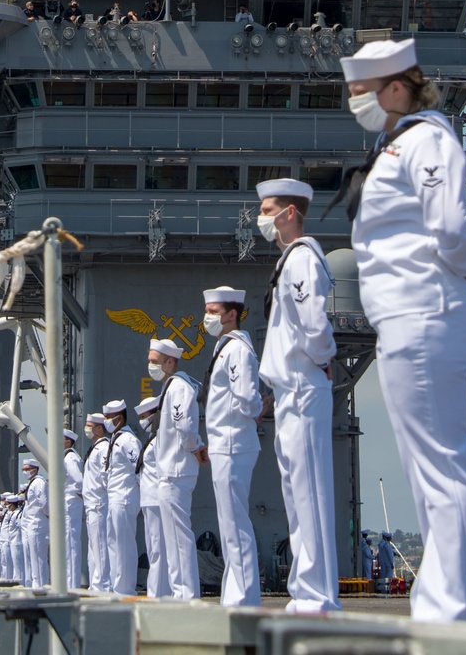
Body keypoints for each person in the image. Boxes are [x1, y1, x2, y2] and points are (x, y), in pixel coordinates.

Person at [341, 37, 466, 623]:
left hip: (424, 311)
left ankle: (450, 615)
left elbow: (449, 225)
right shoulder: (397, 142)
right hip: (408, 316)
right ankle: (457, 609)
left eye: (360, 91)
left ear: (396, 87)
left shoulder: (426, 138)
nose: (355, 102)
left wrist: (464, 271)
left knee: (439, 467)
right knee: (431, 468)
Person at [256, 176, 340, 614]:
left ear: (290, 213)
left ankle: (319, 595)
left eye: (268, 210)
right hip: (290, 390)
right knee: (296, 492)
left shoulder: (304, 258)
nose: (262, 219)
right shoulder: (290, 260)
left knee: (310, 493)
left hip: (305, 386)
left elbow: (313, 324)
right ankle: (307, 591)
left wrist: (324, 358)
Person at [200, 285, 262, 606]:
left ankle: (244, 598)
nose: (207, 317)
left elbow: (248, 398)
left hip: (233, 443)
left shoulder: (237, 350)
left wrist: (251, 415)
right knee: (229, 525)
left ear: (232, 314)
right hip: (225, 443)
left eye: (213, 312)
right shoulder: (225, 348)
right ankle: (235, 594)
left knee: (235, 524)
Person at [147, 336, 207, 600]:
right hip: (171, 472)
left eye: (155, 362)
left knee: (178, 537)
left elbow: (184, 427)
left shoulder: (179, 387)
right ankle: (180, 591)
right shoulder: (172, 387)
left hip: (175, 472)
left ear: (170, 361)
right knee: (172, 539)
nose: (151, 366)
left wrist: (195, 447)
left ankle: (185, 594)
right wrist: (197, 445)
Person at [102, 398, 142, 595]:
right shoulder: (115, 440)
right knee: (114, 543)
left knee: (124, 544)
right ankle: (117, 586)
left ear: (119, 419)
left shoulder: (128, 440)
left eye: (108, 417)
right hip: (115, 497)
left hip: (125, 497)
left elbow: (139, 468)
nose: (106, 421)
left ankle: (125, 589)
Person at [135, 395, 169, 597]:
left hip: (156, 498)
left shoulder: (161, 439)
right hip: (148, 499)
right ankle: (157, 589)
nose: (142, 421)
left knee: (158, 547)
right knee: (153, 546)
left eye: (145, 416)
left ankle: (159, 592)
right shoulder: (151, 439)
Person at [82, 413, 112, 593]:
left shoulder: (103, 448)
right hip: (91, 504)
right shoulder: (95, 448)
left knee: (100, 548)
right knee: (93, 549)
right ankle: (96, 586)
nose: (87, 429)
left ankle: (104, 588)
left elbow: (105, 475)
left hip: (99, 503)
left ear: (99, 428)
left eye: (89, 425)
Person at [21, 459, 50, 587]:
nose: (25, 471)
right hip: (32, 524)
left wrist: (49, 516)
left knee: (39, 558)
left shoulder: (39, 482)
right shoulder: (32, 483)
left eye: (27, 468)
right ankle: (36, 585)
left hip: (38, 523)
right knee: (33, 558)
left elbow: (44, 502)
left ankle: (41, 586)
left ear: (34, 469)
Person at [63, 429, 85, 588]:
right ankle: (70, 583)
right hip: (71, 501)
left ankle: (72, 585)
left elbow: (78, 480)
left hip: (71, 502)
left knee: (71, 545)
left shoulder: (69, 458)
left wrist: (72, 494)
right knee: (69, 545)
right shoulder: (68, 457)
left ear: (68, 442)